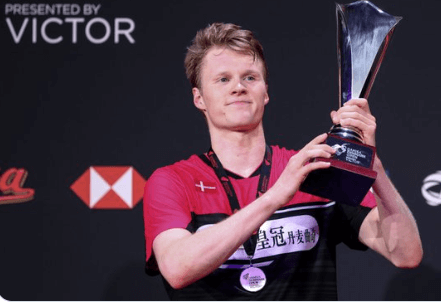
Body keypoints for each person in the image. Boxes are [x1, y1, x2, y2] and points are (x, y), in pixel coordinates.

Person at [143, 23, 423, 300]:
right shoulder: (173, 181)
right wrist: (276, 196)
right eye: (223, 79)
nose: (238, 87)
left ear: (265, 92)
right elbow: (178, 268)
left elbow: (405, 254)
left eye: (250, 77)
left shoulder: (315, 170)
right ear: (199, 98)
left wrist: (373, 167)